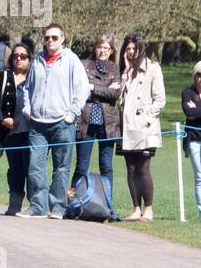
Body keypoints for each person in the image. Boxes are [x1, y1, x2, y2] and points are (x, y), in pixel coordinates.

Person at [19, 23, 90, 219]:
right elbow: (27, 88)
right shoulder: (38, 60)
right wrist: (27, 108)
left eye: (54, 38)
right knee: (35, 166)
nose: (50, 41)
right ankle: (37, 206)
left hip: (62, 123)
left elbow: (83, 88)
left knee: (61, 167)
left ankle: (58, 207)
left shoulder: (71, 60)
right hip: (37, 123)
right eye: (47, 37)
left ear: (63, 39)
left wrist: (72, 113)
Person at [117, 33, 165, 221]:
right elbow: (119, 99)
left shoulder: (153, 68)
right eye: (127, 49)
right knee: (130, 169)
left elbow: (160, 99)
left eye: (134, 49)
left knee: (143, 168)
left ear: (141, 49)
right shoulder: (126, 71)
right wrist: (125, 73)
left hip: (145, 127)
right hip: (126, 128)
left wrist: (145, 117)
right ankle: (136, 208)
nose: (130, 52)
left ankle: (149, 209)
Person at [74, 34, 122, 207]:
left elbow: (115, 94)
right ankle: (72, 198)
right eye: (100, 47)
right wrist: (105, 89)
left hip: (107, 123)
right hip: (85, 122)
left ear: (111, 51)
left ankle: (107, 203)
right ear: (95, 48)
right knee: (81, 165)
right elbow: (80, 88)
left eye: (106, 48)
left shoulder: (115, 68)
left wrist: (93, 87)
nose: (102, 51)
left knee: (106, 165)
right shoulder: (84, 64)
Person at [0, 43, 33, 216]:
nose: (19, 59)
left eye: (23, 56)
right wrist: (2, 118)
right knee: (15, 168)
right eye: (15, 56)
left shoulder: (34, 77)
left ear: (29, 59)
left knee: (32, 167)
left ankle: (36, 204)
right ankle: (15, 202)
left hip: (32, 131)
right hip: (10, 131)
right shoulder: (4, 76)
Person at [183, 62, 201, 219]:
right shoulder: (187, 92)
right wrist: (193, 111)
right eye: (199, 75)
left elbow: (194, 112)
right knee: (200, 175)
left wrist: (196, 110)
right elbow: (189, 112)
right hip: (194, 140)